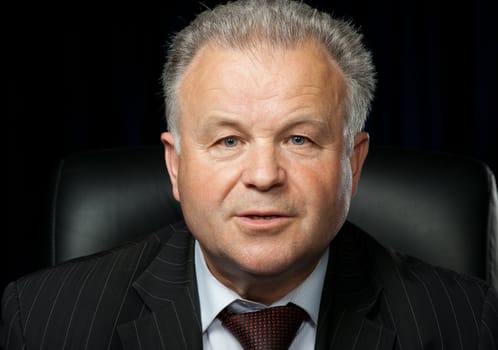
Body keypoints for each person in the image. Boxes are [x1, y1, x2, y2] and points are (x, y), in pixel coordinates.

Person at [2, 0, 497, 349]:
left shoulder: (466, 324)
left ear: (353, 163)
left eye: (299, 139)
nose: (263, 176)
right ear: (175, 166)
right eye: (229, 141)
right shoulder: (44, 319)